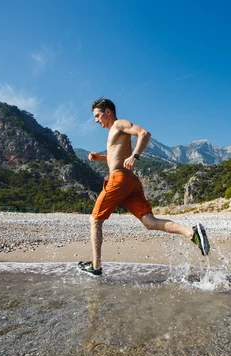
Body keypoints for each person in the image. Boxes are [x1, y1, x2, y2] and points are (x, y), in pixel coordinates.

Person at [78, 98, 210, 275]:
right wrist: (100, 158)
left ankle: (95, 266)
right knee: (150, 222)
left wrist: (135, 156)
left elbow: (144, 133)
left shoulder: (119, 124)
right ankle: (191, 233)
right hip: (130, 182)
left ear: (107, 111)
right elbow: (116, 157)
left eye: (97, 115)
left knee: (95, 220)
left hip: (119, 180)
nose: (96, 120)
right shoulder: (114, 132)